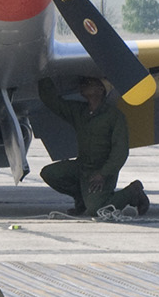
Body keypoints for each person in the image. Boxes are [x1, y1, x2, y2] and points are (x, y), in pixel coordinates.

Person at [39, 75, 149, 216]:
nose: (83, 85)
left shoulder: (114, 116)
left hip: (102, 170)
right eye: (83, 83)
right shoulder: (80, 112)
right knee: (50, 173)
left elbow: (120, 151)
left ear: (101, 89)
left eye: (89, 83)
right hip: (83, 166)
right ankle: (82, 200)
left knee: (97, 210)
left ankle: (133, 192)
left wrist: (103, 174)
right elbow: (53, 102)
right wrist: (43, 74)